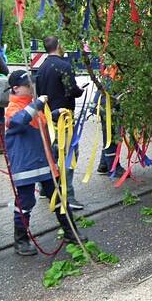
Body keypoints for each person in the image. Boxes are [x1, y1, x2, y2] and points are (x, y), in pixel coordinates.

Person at [5, 70, 87, 256]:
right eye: (28, 85)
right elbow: (18, 121)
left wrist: (56, 113)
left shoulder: (32, 107)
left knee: (58, 198)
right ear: (16, 89)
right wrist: (37, 104)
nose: (32, 87)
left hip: (45, 164)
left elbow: (42, 122)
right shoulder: (14, 108)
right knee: (25, 203)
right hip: (25, 167)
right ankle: (21, 241)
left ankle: (70, 232)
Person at [36, 36, 86, 210]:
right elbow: (71, 89)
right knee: (70, 155)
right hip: (64, 118)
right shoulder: (64, 66)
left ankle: (45, 188)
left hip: (48, 119)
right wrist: (80, 91)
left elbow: (39, 94)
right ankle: (68, 195)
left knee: (51, 154)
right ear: (58, 46)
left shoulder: (41, 67)